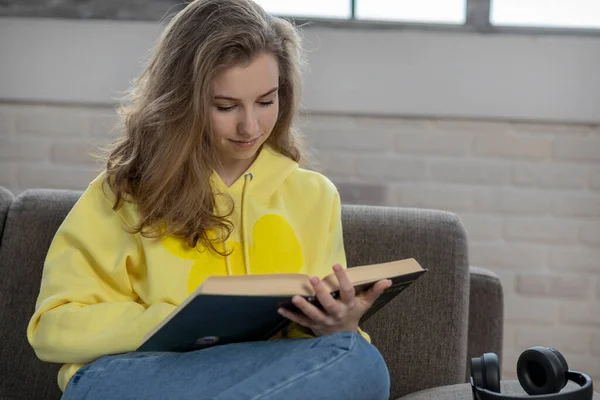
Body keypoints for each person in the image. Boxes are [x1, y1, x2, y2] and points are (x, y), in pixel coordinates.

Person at [26, 0, 392, 398]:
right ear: (183, 100)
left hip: (259, 377)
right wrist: (175, 322)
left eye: (266, 101)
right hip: (132, 376)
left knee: (360, 359)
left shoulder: (314, 196)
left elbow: (318, 350)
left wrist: (338, 326)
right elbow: (51, 328)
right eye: (225, 106)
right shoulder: (126, 190)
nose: (249, 126)